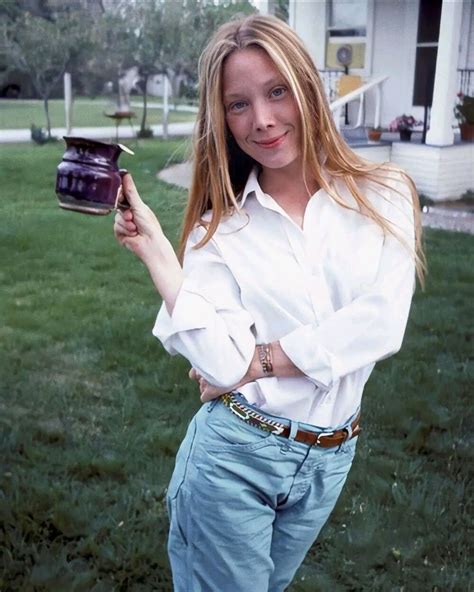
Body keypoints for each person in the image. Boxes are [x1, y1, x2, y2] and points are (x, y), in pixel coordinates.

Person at [114, 14, 425, 592]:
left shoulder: (385, 193)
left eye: (276, 91)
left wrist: (261, 360)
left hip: (330, 458)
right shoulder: (221, 227)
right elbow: (220, 364)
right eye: (238, 104)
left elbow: (382, 323)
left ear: (306, 87)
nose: (262, 119)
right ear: (222, 119)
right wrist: (157, 251)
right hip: (234, 457)